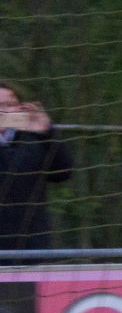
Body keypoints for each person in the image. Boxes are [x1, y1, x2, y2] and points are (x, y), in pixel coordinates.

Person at [0, 82, 75, 261]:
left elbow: (63, 173)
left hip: (33, 244)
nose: (4, 111)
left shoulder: (33, 139)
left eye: (10, 104)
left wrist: (47, 132)